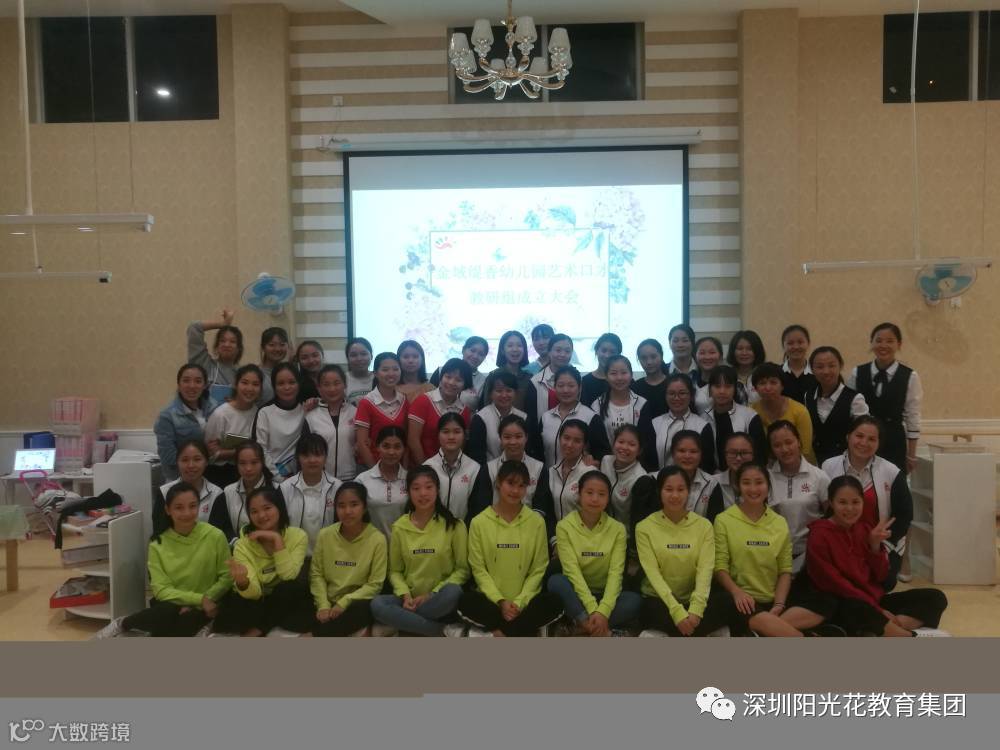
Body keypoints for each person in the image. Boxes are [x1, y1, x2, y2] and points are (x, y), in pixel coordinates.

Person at [805, 476, 948, 637]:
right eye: (842, 502)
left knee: (936, 597)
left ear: (863, 502)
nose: (850, 508)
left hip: (874, 600)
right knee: (858, 608)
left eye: (855, 502)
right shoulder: (819, 535)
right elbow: (835, 584)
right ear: (831, 503)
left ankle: (889, 632)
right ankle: (908, 636)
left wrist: (874, 546)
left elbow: (881, 577)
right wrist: (878, 611)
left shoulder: (865, 529)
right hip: (845, 603)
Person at [97, 483, 232, 638]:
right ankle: (123, 623)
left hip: (208, 604)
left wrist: (206, 599)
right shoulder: (157, 543)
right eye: (179, 507)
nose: (187, 513)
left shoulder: (215, 535)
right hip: (173, 604)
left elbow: (226, 576)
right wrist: (198, 600)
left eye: (192, 506)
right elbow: (161, 589)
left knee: (182, 623)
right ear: (168, 510)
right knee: (167, 612)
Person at [458, 461, 564, 636]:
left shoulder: (536, 522)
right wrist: (500, 601)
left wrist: (519, 602)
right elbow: (478, 568)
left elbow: (539, 568)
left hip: (526, 602)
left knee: (554, 602)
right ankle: (520, 630)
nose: (515, 491)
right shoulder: (479, 522)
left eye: (521, 485)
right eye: (510, 483)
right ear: (498, 483)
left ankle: (498, 631)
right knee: (465, 601)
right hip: (491, 601)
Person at [370, 466, 469, 637]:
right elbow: (395, 571)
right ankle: (442, 631)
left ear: (437, 490)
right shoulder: (400, 527)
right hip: (408, 599)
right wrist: (405, 595)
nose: (423, 493)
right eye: (416, 488)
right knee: (377, 604)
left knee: (454, 591)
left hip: (439, 599)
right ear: (409, 492)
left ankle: (405, 622)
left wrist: (431, 595)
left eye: (429, 487)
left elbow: (462, 570)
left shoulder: (454, 525)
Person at [635, 466, 734, 637]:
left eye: (681, 489)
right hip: (660, 600)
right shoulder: (644, 527)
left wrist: (696, 610)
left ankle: (677, 631)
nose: (675, 495)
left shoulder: (704, 526)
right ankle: (696, 632)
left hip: (692, 598)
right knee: (647, 610)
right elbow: (652, 574)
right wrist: (677, 612)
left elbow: (705, 571)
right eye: (668, 489)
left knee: (726, 602)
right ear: (659, 492)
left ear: (689, 492)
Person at [820, 416, 912, 589]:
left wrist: (881, 542)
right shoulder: (828, 467)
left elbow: (904, 515)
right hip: (840, 544)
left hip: (881, 543)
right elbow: (823, 509)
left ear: (878, 443)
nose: (864, 443)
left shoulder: (891, 472)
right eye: (859, 436)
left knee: (882, 582)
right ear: (848, 437)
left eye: (871, 439)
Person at [713, 463, 802, 637]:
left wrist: (779, 604)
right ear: (738, 486)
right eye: (746, 483)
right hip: (738, 601)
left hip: (772, 600)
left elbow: (785, 570)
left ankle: (764, 628)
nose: (753, 489)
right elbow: (720, 567)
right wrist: (737, 593)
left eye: (759, 482)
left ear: (768, 485)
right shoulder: (723, 520)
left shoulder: (779, 522)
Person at [547, 471, 641, 635]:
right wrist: (591, 608)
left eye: (601, 494)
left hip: (606, 595)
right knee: (555, 582)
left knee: (634, 601)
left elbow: (616, 573)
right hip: (576, 595)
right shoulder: (564, 527)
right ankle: (591, 625)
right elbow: (572, 571)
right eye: (589, 493)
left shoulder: (617, 529)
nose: (595, 499)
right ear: (579, 495)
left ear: (608, 498)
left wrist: (603, 610)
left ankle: (581, 625)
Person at [213, 487, 313, 636]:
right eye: (254, 511)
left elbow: (288, 576)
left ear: (279, 507)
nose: (261, 515)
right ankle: (269, 621)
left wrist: (277, 539)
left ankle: (260, 627)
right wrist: (243, 583)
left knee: (290, 589)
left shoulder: (298, 536)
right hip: (258, 598)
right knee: (228, 619)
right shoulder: (242, 545)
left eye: (267, 508)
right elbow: (255, 594)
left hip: (284, 594)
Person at [309, 482, 388, 637]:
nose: (347, 511)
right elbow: (316, 574)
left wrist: (345, 602)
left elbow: (375, 584)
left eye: (354, 505)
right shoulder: (325, 535)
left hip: (356, 602)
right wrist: (323, 605)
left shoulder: (377, 539)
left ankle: (319, 633)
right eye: (341, 506)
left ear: (364, 508)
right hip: (329, 599)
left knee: (368, 609)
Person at [846, 323, 922, 474]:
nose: (883, 345)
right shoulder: (857, 373)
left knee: (893, 483)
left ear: (899, 344)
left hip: (894, 441)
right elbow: (848, 410)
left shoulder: (910, 376)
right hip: (863, 441)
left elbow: (913, 415)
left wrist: (911, 454)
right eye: (879, 340)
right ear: (871, 343)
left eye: (890, 341)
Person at [767, 421, 830, 573]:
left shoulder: (819, 477)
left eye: (789, 442)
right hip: (774, 555)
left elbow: (831, 517)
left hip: (811, 555)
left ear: (799, 442)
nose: (784, 449)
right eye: (777, 445)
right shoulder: (765, 477)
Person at [468, 414, 545, 518]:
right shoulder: (489, 469)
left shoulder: (539, 468)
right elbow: (481, 507)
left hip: (529, 524)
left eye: (518, 436)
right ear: (500, 438)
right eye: (507, 437)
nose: (513, 442)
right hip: (494, 523)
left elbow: (541, 506)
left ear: (526, 437)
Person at [154, 363, 220, 482]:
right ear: (179, 385)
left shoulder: (214, 407)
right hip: (179, 480)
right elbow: (168, 457)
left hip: (210, 477)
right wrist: (204, 454)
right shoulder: (167, 416)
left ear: (205, 385)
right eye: (186, 381)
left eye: (198, 381)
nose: (192, 386)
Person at [535, 366, 610, 468]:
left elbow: (603, 454)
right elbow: (538, 453)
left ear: (579, 388)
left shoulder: (591, 417)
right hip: (549, 476)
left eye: (571, 386)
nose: (565, 390)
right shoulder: (545, 417)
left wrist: (593, 462)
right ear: (554, 387)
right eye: (560, 385)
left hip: (579, 477)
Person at [533, 419, 594, 543]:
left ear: (584, 445)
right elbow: (549, 512)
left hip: (584, 541)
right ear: (559, 439)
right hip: (557, 541)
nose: (570, 444)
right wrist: (554, 540)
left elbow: (594, 514)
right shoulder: (551, 472)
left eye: (577, 441)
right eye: (566, 438)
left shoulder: (590, 474)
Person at [806, 346, 869, 464]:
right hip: (816, 461)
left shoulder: (855, 399)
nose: (826, 371)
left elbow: (864, 434)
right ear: (812, 369)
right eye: (820, 367)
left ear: (840, 366)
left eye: (831, 365)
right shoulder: (808, 396)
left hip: (845, 462)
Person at [279, 434, 342, 553]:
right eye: (306, 455)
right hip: (293, 557)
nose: (312, 460)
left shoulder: (338, 487)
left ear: (325, 457)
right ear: (298, 458)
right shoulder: (285, 488)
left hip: (329, 555)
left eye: (317, 455)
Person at [639, 373, 713, 472]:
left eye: (682, 393)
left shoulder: (702, 426)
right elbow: (649, 461)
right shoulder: (655, 424)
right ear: (665, 396)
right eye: (671, 393)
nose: (676, 398)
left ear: (691, 396)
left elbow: (707, 465)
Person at [204, 364, 262, 488]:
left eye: (255, 384)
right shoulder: (221, 414)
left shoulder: (259, 413)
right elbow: (210, 453)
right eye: (245, 383)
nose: (250, 388)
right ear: (236, 384)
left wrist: (228, 452)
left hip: (249, 473)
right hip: (220, 475)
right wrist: (230, 453)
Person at [408, 358, 472, 464]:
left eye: (458, 380)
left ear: (465, 385)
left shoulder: (464, 411)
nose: (451, 382)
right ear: (441, 377)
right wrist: (425, 468)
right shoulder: (423, 401)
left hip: (450, 468)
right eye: (448, 377)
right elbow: (413, 440)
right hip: (421, 466)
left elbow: (461, 445)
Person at [750, 362, 816, 464]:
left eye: (773, 382)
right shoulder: (751, 412)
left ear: (782, 386)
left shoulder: (799, 411)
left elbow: (805, 449)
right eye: (762, 383)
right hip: (764, 465)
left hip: (801, 464)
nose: (768, 388)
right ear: (755, 388)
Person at [211, 441, 275, 545]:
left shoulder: (276, 490)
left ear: (262, 462)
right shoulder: (228, 492)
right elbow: (218, 527)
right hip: (237, 549)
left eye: (254, 462)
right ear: (236, 464)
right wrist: (237, 544)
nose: (248, 468)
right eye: (242, 463)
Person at [702, 365, 766, 469]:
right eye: (717, 386)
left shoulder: (750, 416)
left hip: (747, 473)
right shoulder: (702, 419)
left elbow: (760, 454)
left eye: (728, 386)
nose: (722, 391)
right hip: (714, 476)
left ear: (735, 389)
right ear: (709, 389)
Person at [154, 440, 223, 537]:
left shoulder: (217, 493)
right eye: (185, 460)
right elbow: (159, 531)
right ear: (177, 462)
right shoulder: (164, 492)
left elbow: (218, 534)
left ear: (206, 462)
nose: (191, 465)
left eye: (197, 459)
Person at [303, 364, 358, 481]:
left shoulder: (355, 413)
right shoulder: (311, 417)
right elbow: (305, 451)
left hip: (351, 477)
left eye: (337, 383)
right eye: (326, 384)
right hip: (321, 479)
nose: (332, 389)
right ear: (319, 388)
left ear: (345, 385)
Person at [354, 352, 409, 468]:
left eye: (395, 369)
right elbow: (362, 443)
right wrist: (377, 472)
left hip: (397, 467)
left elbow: (406, 438)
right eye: (385, 370)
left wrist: (404, 469)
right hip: (370, 468)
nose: (391, 374)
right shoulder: (366, 402)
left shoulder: (404, 400)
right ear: (375, 373)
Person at [253, 363, 308, 479]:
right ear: (274, 386)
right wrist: (278, 478)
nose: (287, 388)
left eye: (292, 382)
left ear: (299, 384)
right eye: (281, 383)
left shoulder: (306, 409)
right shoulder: (265, 412)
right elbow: (260, 449)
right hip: (271, 476)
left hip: (300, 477)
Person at [599, 425, 655, 538]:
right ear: (613, 443)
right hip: (602, 530)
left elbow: (639, 520)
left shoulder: (641, 479)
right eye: (621, 442)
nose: (624, 447)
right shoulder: (605, 461)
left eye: (632, 444)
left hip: (626, 535)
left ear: (639, 450)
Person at [423, 413, 481, 522]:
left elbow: (475, 508)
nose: (451, 437)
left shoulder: (475, 468)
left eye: (457, 432)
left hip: (463, 528)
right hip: (431, 529)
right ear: (438, 435)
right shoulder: (428, 467)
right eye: (445, 432)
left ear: (465, 435)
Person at [355, 426, 409, 539]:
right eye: (386, 446)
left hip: (404, 544)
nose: (391, 452)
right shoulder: (362, 480)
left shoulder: (410, 480)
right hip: (371, 544)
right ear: (377, 447)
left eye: (397, 447)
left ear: (404, 449)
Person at [467, 370, 527, 465]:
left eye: (509, 390)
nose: (504, 395)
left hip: (519, 470)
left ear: (515, 393)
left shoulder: (523, 417)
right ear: (490, 394)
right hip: (489, 471)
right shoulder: (480, 418)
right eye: (499, 391)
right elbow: (477, 455)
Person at [186, 309, 243, 404]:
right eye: (222, 341)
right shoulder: (205, 364)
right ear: (217, 346)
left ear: (239, 348)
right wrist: (223, 324)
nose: (227, 345)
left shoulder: (243, 374)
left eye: (232, 341)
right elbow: (194, 328)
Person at [592, 355, 647, 445]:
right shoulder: (597, 405)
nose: (619, 378)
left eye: (624, 373)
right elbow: (596, 440)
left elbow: (645, 439)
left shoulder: (642, 404)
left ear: (631, 375)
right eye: (613, 373)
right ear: (606, 376)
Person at [483, 330, 537, 416]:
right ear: (502, 350)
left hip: (523, 423)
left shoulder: (529, 378)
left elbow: (532, 409)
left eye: (519, 345)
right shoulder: (493, 376)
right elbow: (486, 406)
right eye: (510, 345)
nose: (515, 349)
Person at [431, 335, 490, 411]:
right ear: (463, 350)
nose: (475, 356)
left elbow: (482, 410)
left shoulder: (483, 381)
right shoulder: (441, 371)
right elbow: (429, 398)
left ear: (484, 358)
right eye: (472, 350)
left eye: (481, 354)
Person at [530, 333, 574, 419]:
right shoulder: (535, 381)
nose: (563, 354)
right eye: (558, 350)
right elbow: (532, 416)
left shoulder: (578, 380)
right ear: (549, 352)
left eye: (567, 351)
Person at [712, 432, 756, 507]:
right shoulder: (713, 482)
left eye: (744, 453)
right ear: (725, 455)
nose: (738, 458)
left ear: (753, 455)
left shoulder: (763, 481)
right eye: (732, 452)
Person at [581, 333, 623, 406]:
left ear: (618, 355)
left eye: (612, 352)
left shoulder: (624, 380)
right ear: (596, 351)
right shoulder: (585, 381)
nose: (607, 356)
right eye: (604, 350)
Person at [725, 330, 766, 405]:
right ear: (733, 351)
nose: (744, 353)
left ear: (757, 351)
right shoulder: (726, 376)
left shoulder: (766, 374)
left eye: (749, 349)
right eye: (740, 349)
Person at [631, 339, 668, 419]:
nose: (649, 362)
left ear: (661, 356)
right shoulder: (635, 388)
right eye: (643, 358)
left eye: (653, 356)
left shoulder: (673, 383)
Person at [780, 325, 817, 405]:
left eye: (800, 342)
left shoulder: (817, 373)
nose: (796, 347)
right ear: (783, 346)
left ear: (808, 343)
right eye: (790, 343)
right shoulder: (777, 373)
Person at [258, 327, 289, 405]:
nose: (277, 349)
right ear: (263, 347)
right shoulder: (256, 373)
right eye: (271, 345)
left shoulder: (290, 372)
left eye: (282, 344)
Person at [694, 336, 724, 404]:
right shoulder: (690, 382)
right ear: (695, 357)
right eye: (702, 353)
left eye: (712, 352)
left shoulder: (733, 383)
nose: (707, 357)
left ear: (720, 356)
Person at [344, 337, 374, 405]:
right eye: (353, 355)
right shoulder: (342, 379)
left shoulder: (379, 378)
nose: (359, 359)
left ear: (371, 356)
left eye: (364, 354)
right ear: (347, 358)